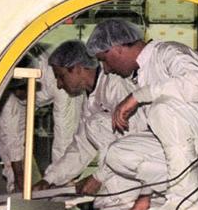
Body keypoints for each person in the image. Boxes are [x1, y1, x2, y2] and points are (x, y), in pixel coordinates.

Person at [83, 19, 198, 210]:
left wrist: (137, 97)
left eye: (104, 59)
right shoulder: (142, 74)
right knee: (119, 154)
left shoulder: (169, 52)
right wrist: (146, 195)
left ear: (117, 48)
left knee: (163, 109)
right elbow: (167, 139)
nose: (106, 69)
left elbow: (195, 88)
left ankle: (187, 201)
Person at [38, 40, 148, 196]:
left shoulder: (116, 85)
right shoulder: (90, 99)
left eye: (60, 76)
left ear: (77, 68)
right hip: (119, 178)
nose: (59, 85)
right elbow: (82, 147)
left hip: (139, 178)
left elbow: (137, 138)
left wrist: (99, 177)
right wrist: (50, 179)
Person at [0, 45, 83, 192]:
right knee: (7, 141)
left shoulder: (57, 77)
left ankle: (63, 195)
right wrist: (18, 177)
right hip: (18, 93)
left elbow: (64, 135)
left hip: (56, 91)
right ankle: (16, 191)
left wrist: (52, 181)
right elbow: (10, 135)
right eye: (14, 89)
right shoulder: (8, 87)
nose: (18, 93)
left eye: (21, 88)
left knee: (66, 144)